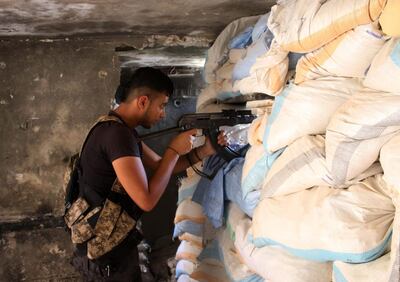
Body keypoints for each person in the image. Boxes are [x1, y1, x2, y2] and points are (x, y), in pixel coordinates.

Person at [71, 67, 226, 281]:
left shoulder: (118, 129)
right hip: (106, 255)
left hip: (108, 246)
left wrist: (204, 151)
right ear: (143, 101)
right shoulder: (117, 135)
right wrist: (173, 149)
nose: (163, 113)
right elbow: (146, 200)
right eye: (161, 105)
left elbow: (160, 166)